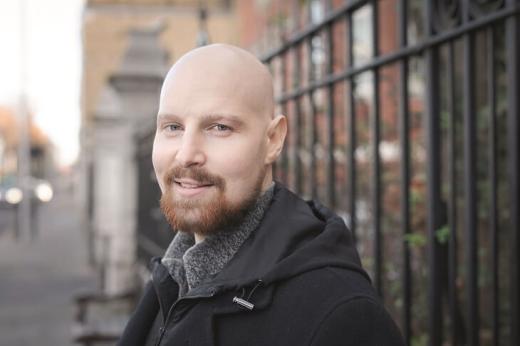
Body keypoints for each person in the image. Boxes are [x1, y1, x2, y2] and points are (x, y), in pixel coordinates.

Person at [118, 43, 404, 346]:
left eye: (219, 127)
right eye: (172, 127)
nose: (186, 154)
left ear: (273, 140)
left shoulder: (342, 317)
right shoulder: (173, 276)